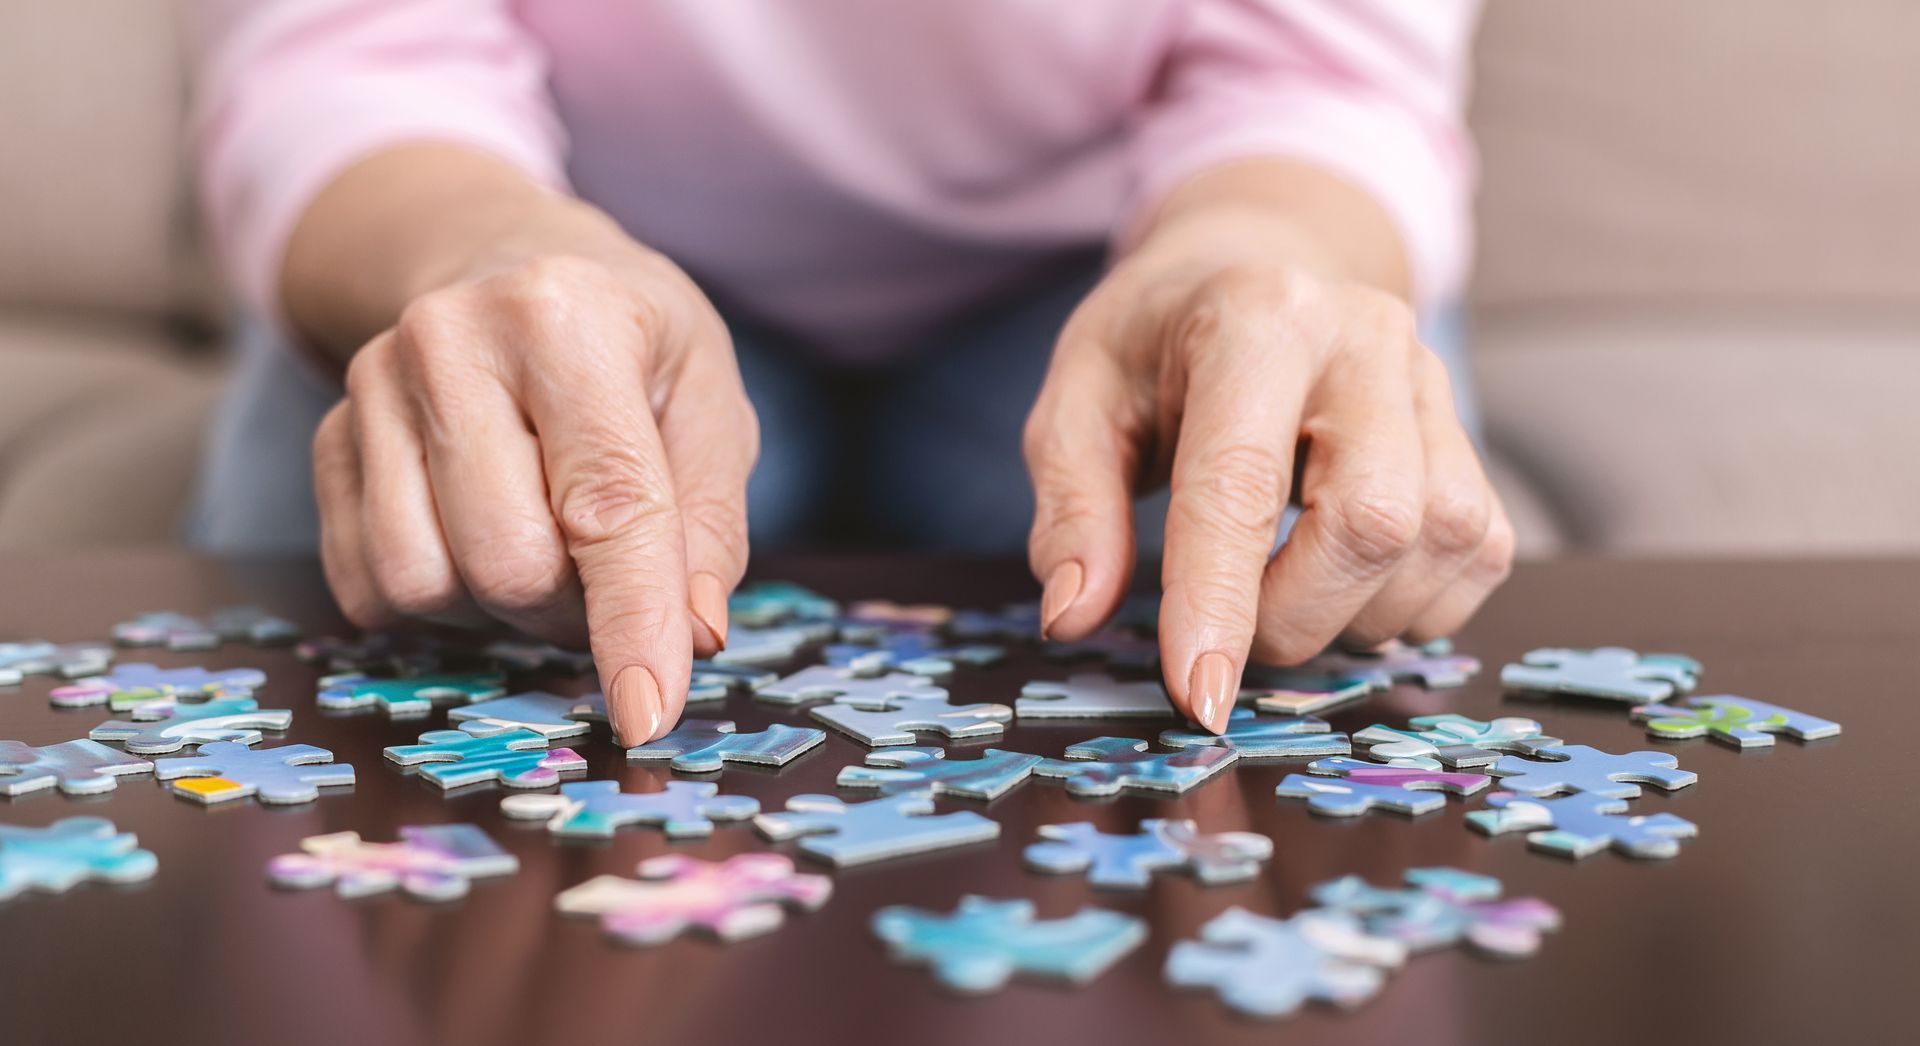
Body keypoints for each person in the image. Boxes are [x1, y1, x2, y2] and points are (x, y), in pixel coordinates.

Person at [190, 1, 1512, 747]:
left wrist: (1255, 254)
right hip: (528, 233)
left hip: (1121, 270)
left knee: (1304, 579)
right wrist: (483, 252)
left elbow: (1317, 76)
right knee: (378, 612)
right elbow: (347, 52)